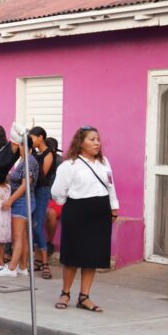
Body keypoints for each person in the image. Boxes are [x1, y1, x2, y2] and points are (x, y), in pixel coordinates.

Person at [51, 126, 119, 313]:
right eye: (92, 139)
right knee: (73, 256)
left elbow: (110, 186)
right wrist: (68, 203)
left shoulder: (104, 162)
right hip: (77, 212)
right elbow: (57, 192)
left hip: (101, 213)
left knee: (93, 257)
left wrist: (114, 207)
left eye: (98, 139)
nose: (97, 143)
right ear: (81, 143)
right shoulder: (69, 165)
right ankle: (65, 293)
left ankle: (84, 297)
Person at [0, 130, 38, 279]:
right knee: (22, 237)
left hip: (22, 201)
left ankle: (11, 268)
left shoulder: (30, 161)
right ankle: (22, 266)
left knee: (17, 237)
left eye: (20, 145)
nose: (18, 148)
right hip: (21, 201)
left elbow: (25, 185)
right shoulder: (23, 161)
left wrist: (10, 200)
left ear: (26, 147)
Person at [29, 127, 57, 280]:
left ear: (41, 138)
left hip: (41, 192)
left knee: (37, 226)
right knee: (33, 225)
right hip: (32, 191)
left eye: (33, 138)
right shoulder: (34, 152)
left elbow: (41, 175)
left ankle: (45, 262)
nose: (31, 141)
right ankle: (38, 259)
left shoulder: (48, 154)